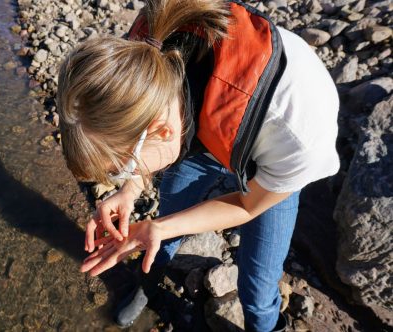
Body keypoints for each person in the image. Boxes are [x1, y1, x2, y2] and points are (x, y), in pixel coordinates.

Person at [56, 0, 340, 330]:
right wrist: (131, 188)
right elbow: (142, 140)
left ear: (162, 130)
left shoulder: (297, 134)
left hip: (269, 144)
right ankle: (148, 287)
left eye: (121, 169)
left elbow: (248, 207)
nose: (121, 178)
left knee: (258, 287)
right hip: (206, 133)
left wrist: (157, 225)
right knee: (165, 226)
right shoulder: (141, 56)